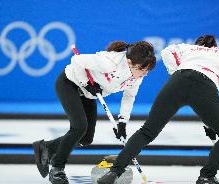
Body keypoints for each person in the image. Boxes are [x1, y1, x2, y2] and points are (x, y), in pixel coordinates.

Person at [97, 35, 219, 184]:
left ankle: (113, 173)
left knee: (147, 131)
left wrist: (175, 72)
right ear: (215, 46)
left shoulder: (189, 48)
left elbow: (167, 51)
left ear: (200, 44)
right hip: (205, 87)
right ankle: (206, 176)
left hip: (178, 81)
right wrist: (215, 123)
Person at [32, 40, 156, 184]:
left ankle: (46, 147)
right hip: (69, 84)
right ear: (129, 62)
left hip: (88, 93)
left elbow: (129, 97)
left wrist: (122, 122)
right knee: (79, 127)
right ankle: (57, 168)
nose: (145, 74)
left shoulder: (136, 77)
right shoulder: (110, 62)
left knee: (86, 138)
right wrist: (85, 83)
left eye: (147, 70)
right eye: (142, 69)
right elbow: (77, 60)